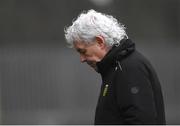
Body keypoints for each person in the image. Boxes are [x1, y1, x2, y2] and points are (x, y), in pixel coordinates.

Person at [64, 9, 166, 125]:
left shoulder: (129, 67)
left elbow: (141, 121)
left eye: (83, 51)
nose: (82, 59)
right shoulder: (116, 67)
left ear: (100, 42)